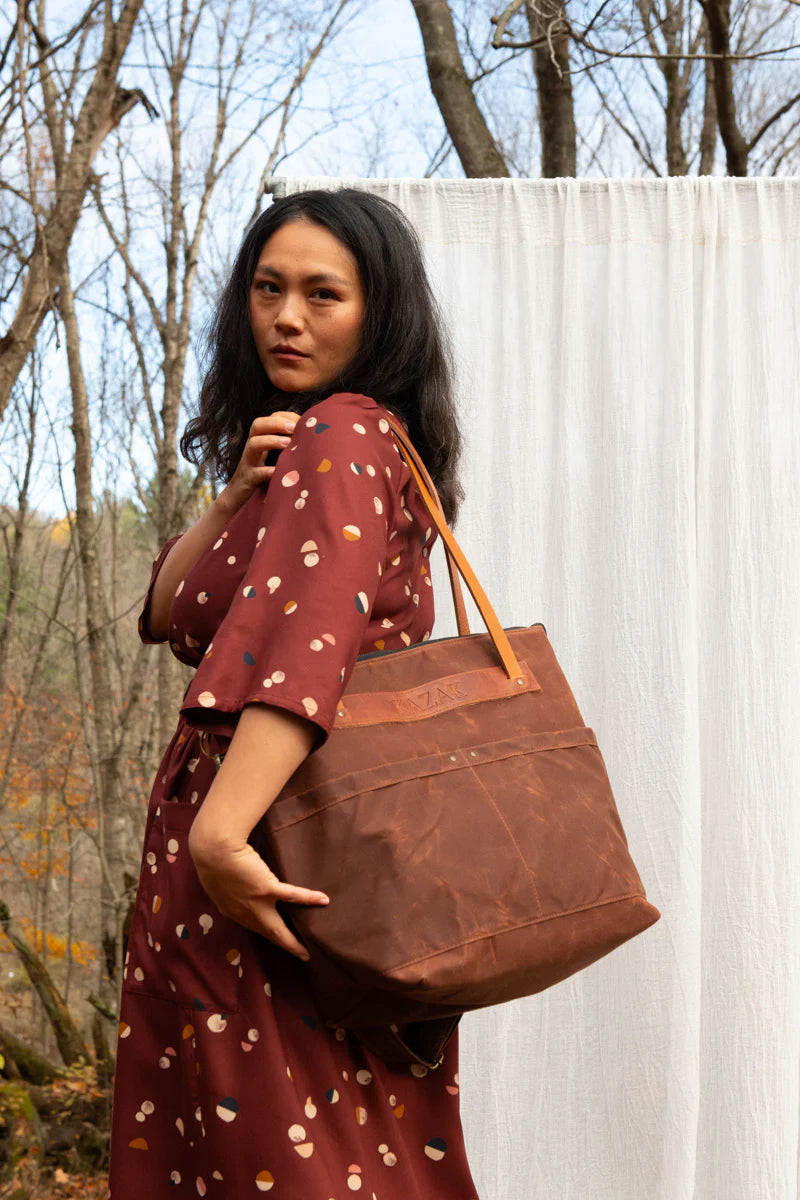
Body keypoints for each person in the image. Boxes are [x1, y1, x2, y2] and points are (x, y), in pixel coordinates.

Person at [108, 188, 481, 1198]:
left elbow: (307, 652)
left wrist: (219, 838)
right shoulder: (306, 448)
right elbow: (163, 614)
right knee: (331, 1146)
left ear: (380, 313)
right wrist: (233, 493)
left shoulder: (346, 434)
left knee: (286, 1156)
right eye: (268, 289)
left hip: (273, 846)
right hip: (276, 852)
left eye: (323, 294)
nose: (285, 316)